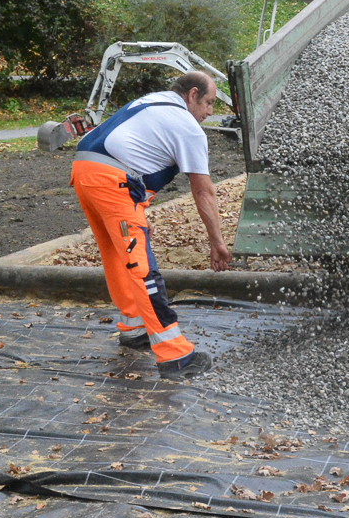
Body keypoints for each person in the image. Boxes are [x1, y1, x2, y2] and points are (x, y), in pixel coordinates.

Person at [71, 71, 232, 377]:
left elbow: (134, 148)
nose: (210, 112)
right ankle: (175, 355)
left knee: (118, 256)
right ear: (193, 94)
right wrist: (217, 242)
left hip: (85, 171)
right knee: (142, 269)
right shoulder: (188, 128)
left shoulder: (152, 101)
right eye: (209, 102)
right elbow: (203, 191)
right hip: (113, 183)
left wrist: (137, 212)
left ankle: (134, 327)